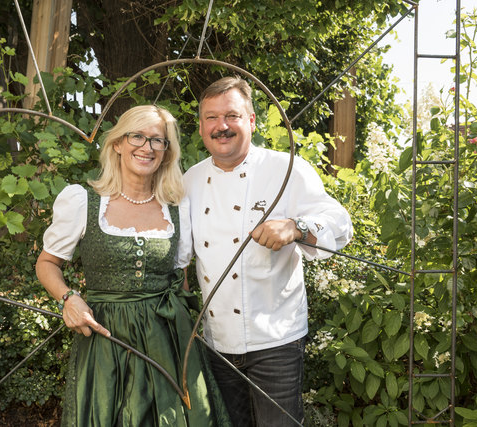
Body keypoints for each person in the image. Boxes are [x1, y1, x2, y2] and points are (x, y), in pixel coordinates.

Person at [36, 105, 231, 426]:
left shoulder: (177, 208)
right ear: (117, 144)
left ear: (167, 152)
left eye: (158, 140)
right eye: (137, 136)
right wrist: (68, 298)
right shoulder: (83, 202)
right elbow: (46, 263)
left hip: (169, 338)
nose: (147, 147)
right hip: (106, 339)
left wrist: (190, 336)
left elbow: (180, 279)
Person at [183, 76, 354, 426]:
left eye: (231, 115)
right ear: (201, 125)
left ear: (251, 121)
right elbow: (179, 255)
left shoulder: (285, 167)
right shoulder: (190, 180)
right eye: (211, 117)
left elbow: (341, 223)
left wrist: (297, 227)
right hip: (217, 342)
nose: (222, 126)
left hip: (276, 339)